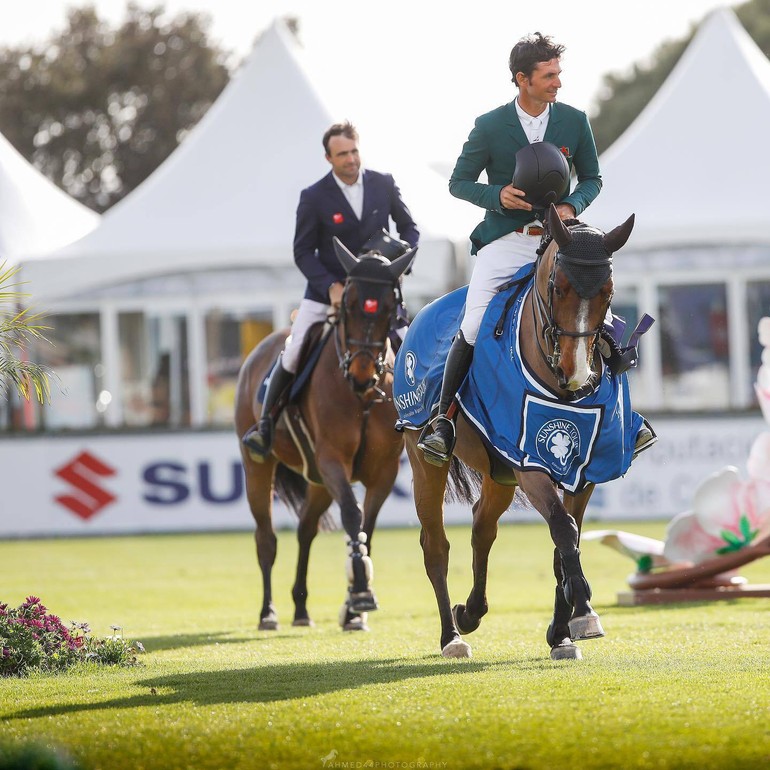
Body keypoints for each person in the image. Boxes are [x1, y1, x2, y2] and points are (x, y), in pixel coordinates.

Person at [420, 31, 613, 465]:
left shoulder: (574, 119)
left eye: (559, 74)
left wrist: (571, 204)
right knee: (472, 324)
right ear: (522, 79)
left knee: (602, 316)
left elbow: (593, 179)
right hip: (507, 242)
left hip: (559, 242)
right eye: (549, 76)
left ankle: (625, 422)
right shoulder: (490, 126)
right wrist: (496, 196)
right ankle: (442, 419)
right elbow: (458, 182)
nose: (557, 83)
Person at [243, 121, 419, 456]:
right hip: (328, 294)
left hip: (377, 291)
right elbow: (302, 251)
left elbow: (409, 228)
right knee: (294, 350)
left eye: (354, 151)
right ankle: (266, 424)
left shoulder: (383, 183)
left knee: (410, 348)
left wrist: (400, 265)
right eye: (342, 154)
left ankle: (433, 421)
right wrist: (332, 287)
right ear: (328, 158)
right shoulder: (313, 197)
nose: (351, 159)